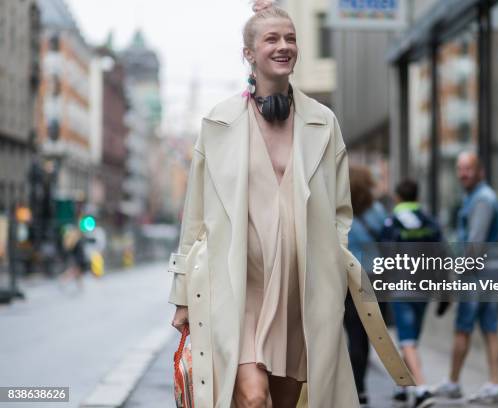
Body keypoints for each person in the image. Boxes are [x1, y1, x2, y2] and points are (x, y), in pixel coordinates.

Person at [168, 2, 411, 407]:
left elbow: (340, 212)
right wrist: (181, 295)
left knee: (284, 402)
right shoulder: (218, 123)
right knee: (252, 396)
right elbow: (195, 217)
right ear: (249, 53)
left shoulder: (323, 122)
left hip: (302, 290)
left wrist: (332, 266)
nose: (284, 46)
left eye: (291, 38)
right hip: (238, 288)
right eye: (272, 39)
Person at [433, 151, 498, 404]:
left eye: (468, 168)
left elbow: (475, 244)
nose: (463, 173)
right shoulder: (475, 197)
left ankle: (453, 383)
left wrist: (457, 275)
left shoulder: (482, 200)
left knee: (463, 327)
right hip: (487, 271)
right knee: (490, 327)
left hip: (478, 273)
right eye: (459, 168)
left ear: (480, 171)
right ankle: (495, 384)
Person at [380, 178, 442, 408]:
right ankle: (403, 386)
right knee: (411, 339)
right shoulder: (430, 221)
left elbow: (385, 257)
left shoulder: (391, 222)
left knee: (407, 341)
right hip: (425, 287)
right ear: (417, 196)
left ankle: (422, 389)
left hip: (401, 287)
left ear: (397, 197)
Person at [343, 165, 388, 406]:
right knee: (363, 336)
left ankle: (349, 387)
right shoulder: (377, 211)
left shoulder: (338, 211)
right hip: (373, 278)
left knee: (347, 334)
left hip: (346, 277)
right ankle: (360, 389)